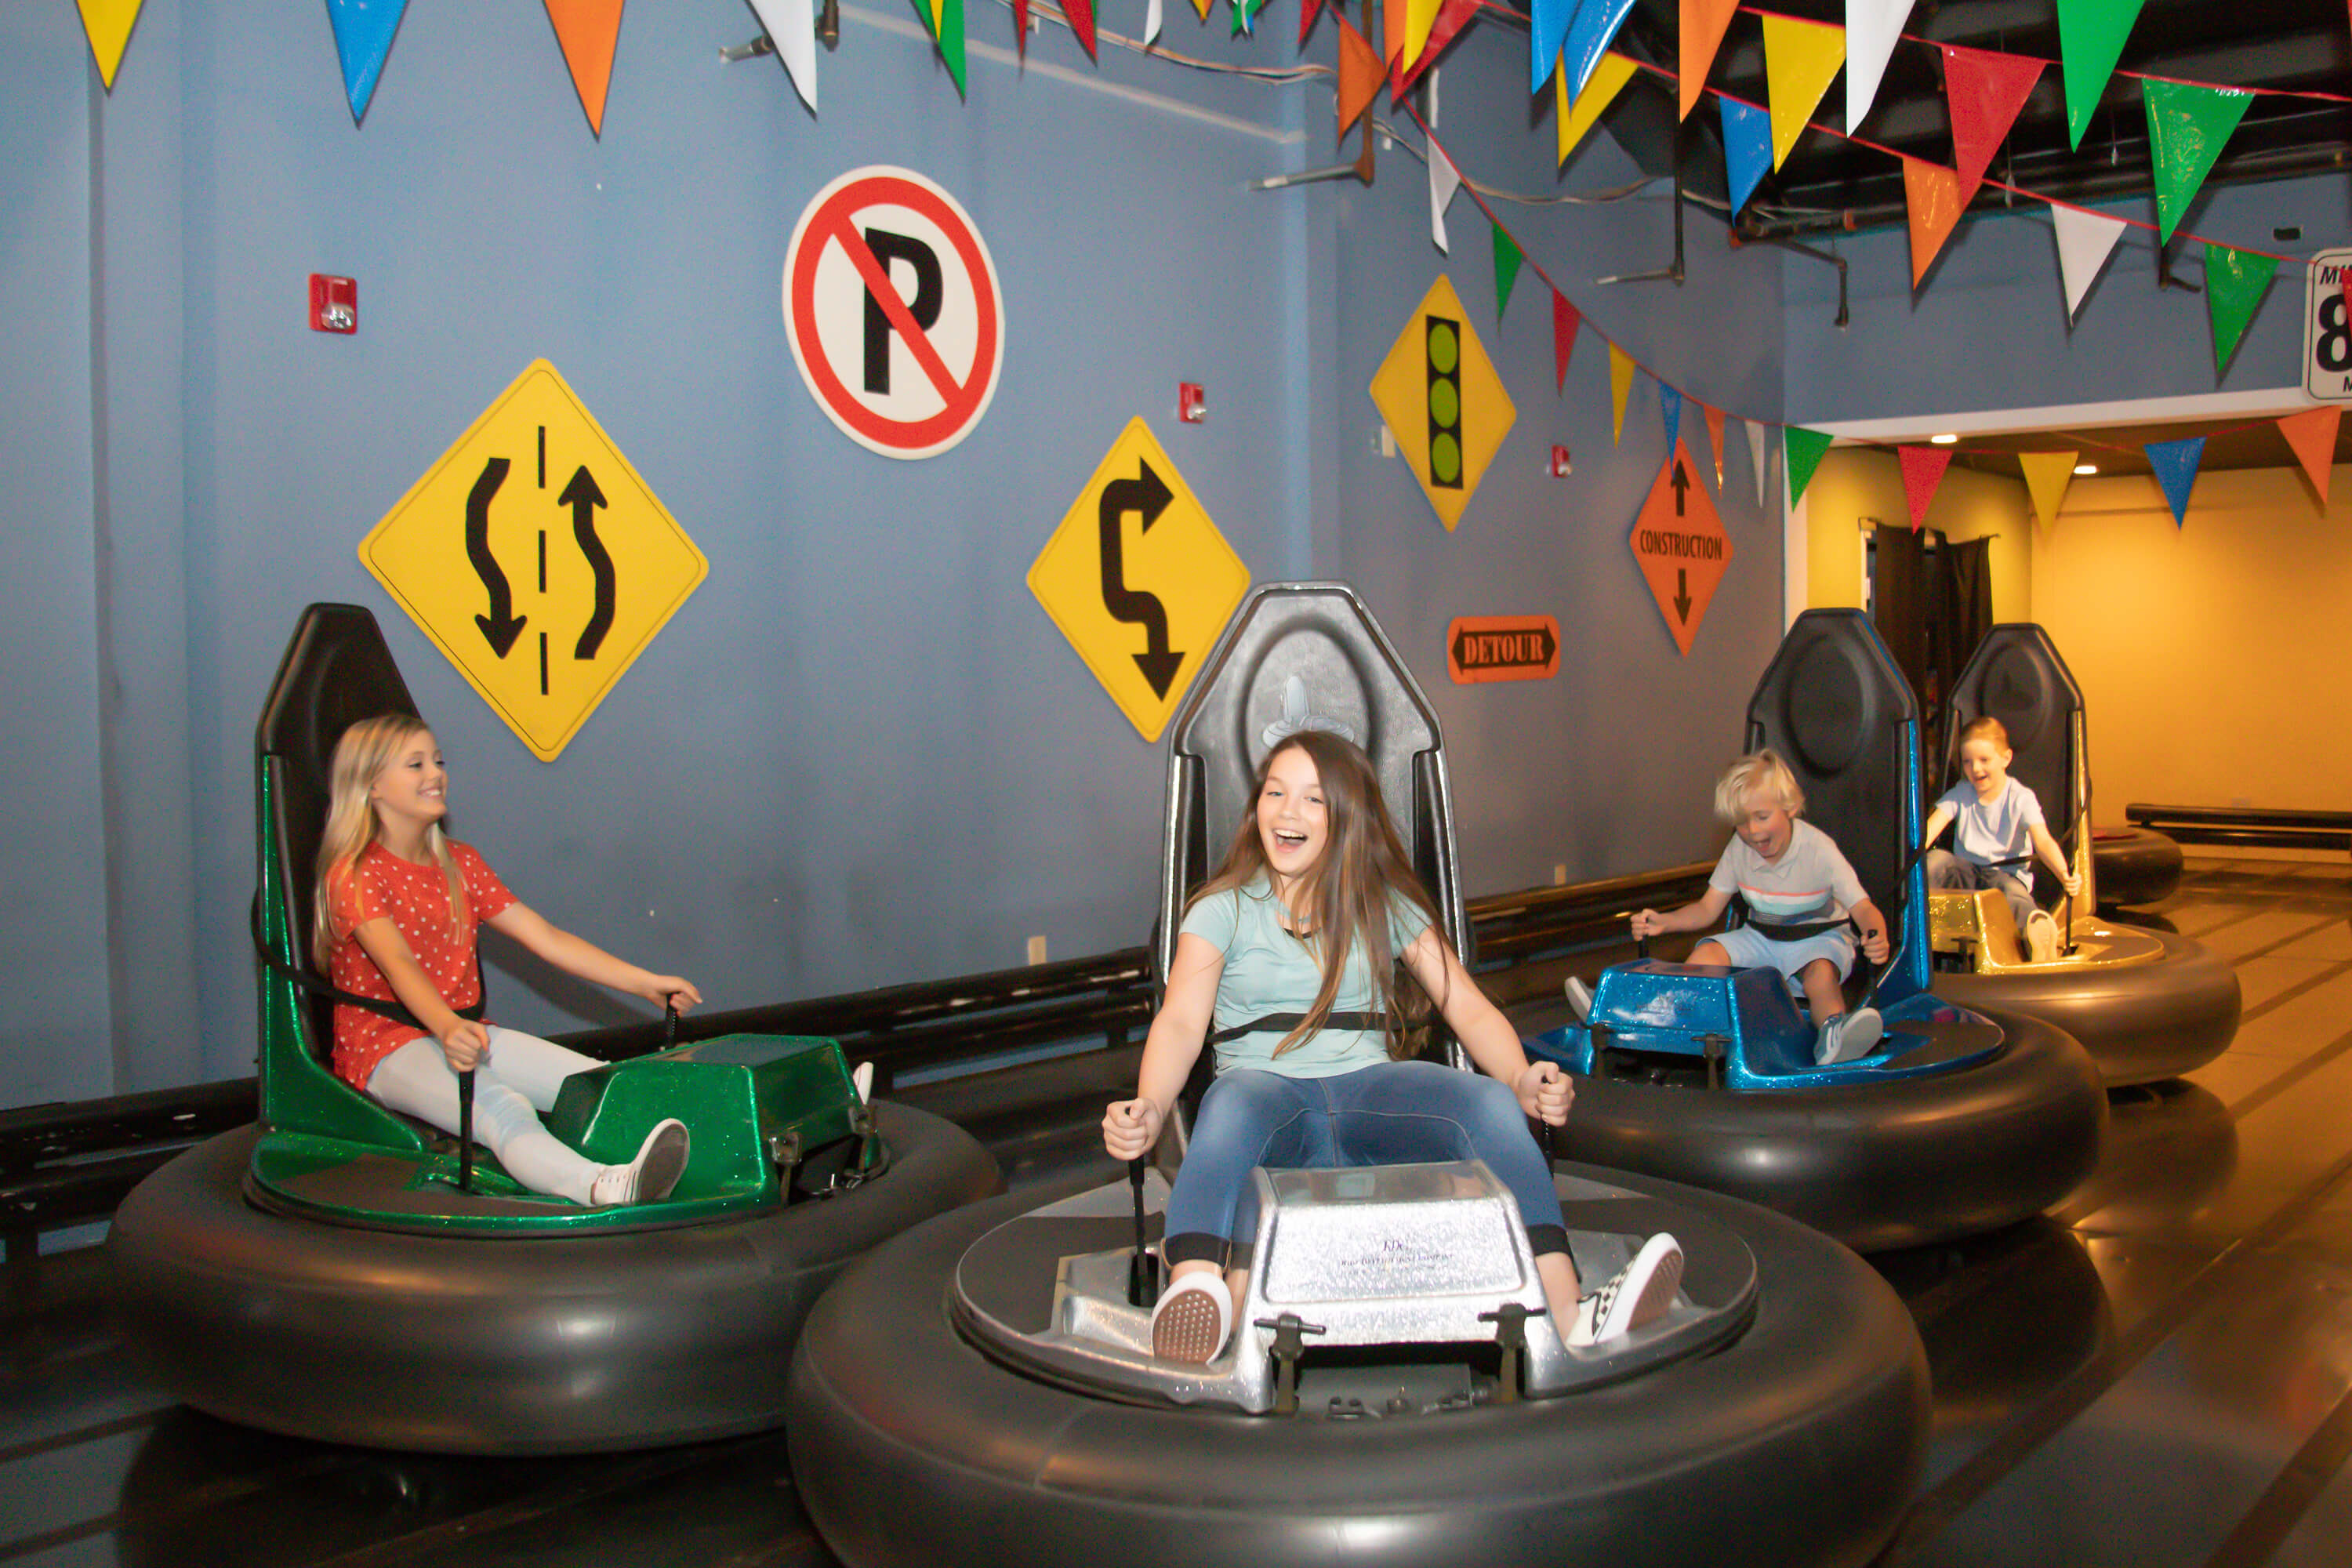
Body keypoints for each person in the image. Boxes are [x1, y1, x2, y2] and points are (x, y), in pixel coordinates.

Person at [1102, 728, 1682, 1365]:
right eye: (1274, 793)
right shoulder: (1222, 909)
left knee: (1488, 1104)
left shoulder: (1384, 904)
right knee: (1229, 1106)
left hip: (1371, 1090)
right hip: (1267, 1092)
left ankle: (1571, 1314)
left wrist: (1520, 1080)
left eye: (1312, 800)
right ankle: (1194, 1299)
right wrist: (1152, 1107)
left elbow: (1463, 1002)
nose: (1286, 812)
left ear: (1346, 817)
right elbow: (1182, 1023)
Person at [314, 713, 702, 1206]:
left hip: (464, 1032)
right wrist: (446, 1027)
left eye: (438, 761)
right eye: (416, 765)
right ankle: (605, 1186)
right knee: (503, 1107)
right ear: (371, 786)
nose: (436, 774)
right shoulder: (356, 875)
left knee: (592, 1085)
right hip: (386, 1049)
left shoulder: (459, 863)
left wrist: (643, 982)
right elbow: (400, 966)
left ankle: (674, 1167)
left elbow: (546, 938)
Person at [1629, 750, 1893, 1066]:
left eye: (1762, 817)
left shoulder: (1818, 849)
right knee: (1706, 955)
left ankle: (1833, 1034)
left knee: (1820, 974)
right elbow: (1707, 909)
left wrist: (1875, 935)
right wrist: (1665, 922)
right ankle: (1652, 1015)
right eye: (1741, 822)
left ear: (1789, 808)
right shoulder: (1739, 849)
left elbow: (1862, 907)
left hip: (1816, 938)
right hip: (1761, 937)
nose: (1753, 831)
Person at [1922, 716, 2081, 963]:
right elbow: (1932, 828)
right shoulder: (1961, 793)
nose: (1975, 769)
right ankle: (1912, 922)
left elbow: (2043, 841)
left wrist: (2064, 873)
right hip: (1965, 874)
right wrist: (1911, 857)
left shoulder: (2021, 797)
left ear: (2005, 759)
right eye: (1967, 762)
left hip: (2004, 875)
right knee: (1935, 860)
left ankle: (2036, 938)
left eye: (1984, 760)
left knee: (2014, 896)